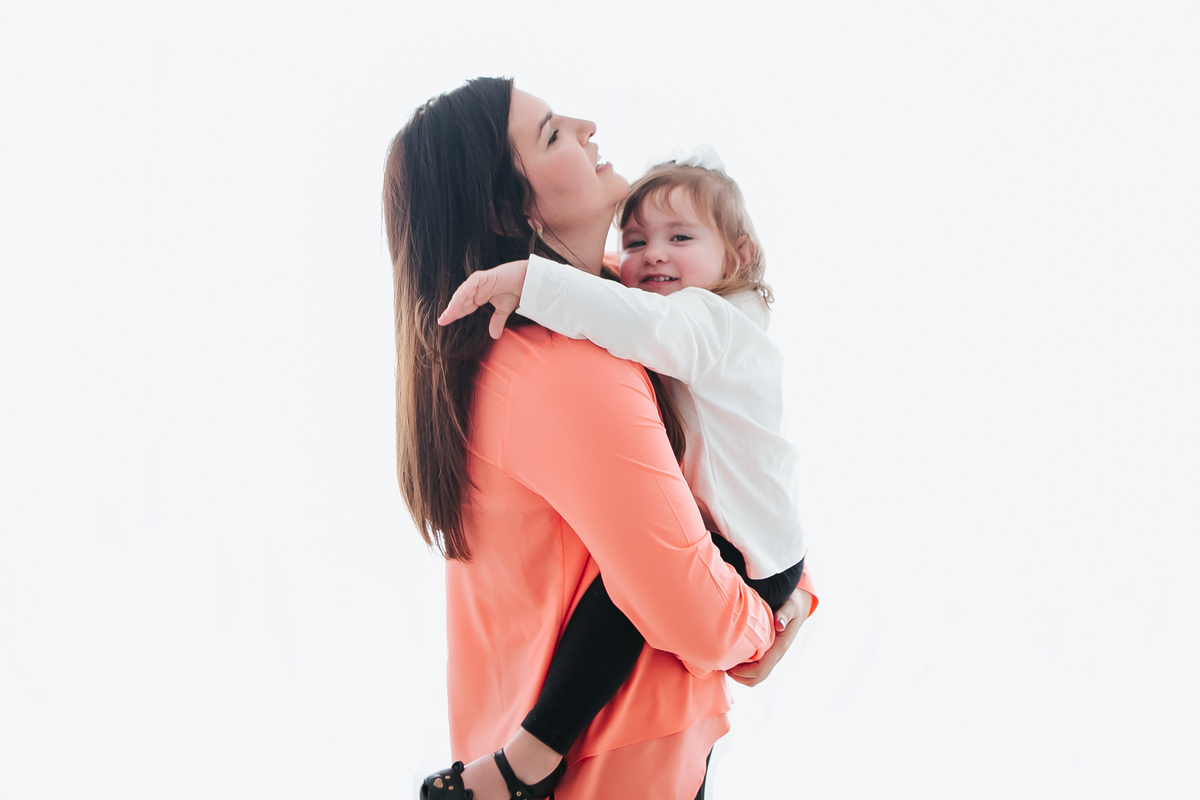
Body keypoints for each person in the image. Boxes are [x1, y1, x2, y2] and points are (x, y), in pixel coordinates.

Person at [384, 77, 813, 800]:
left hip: (581, 737)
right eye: (553, 133)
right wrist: (772, 622)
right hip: (616, 764)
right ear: (508, 209)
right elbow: (699, 618)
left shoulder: (626, 303)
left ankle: (526, 757)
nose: (586, 126)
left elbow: (736, 462)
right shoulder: (572, 365)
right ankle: (529, 757)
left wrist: (789, 589)